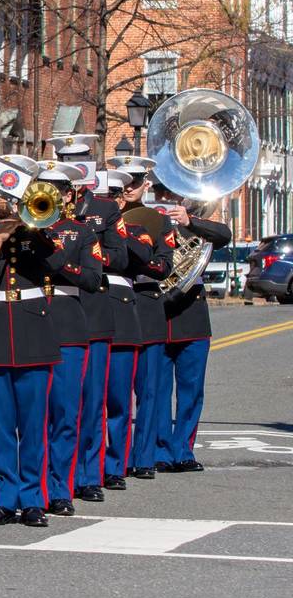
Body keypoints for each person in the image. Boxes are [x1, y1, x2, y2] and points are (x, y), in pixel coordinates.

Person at [0, 156, 61, 527]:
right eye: (1, 194)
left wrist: (33, 227)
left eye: (13, 193)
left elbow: (58, 265)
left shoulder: (41, 232)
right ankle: (3, 498)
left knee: (34, 426)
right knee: (1, 426)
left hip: (34, 334)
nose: (6, 200)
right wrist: (0, 237)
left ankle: (34, 498)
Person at [46, 135, 129, 504]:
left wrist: (80, 252)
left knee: (91, 400)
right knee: (57, 403)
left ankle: (88, 475)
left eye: (80, 158)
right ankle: (54, 477)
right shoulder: (40, 202)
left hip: (92, 310)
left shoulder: (104, 208)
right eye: (65, 157)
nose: (74, 162)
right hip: (52, 311)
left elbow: (119, 257)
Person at [32, 161, 102, 516]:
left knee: (64, 412)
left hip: (68, 325)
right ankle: (33, 487)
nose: (49, 195)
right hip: (29, 323)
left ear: (68, 194)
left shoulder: (81, 233)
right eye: (42, 187)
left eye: (56, 189)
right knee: (32, 415)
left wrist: (55, 257)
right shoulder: (23, 229)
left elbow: (92, 280)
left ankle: (60, 486)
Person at [100, 155, 168, 492]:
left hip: (146, 304)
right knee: (111, 391)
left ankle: (142, 457)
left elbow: (162, 264)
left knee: (148, 389)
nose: (127, 189)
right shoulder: (96, 215)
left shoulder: (153, 221)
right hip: (111, 303)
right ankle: (113, 458)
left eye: (135, 182)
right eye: (122, 183)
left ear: (145, 185)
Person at [153, 181, 231, 473]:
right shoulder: (148, 222)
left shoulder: (196, 226)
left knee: (191, 389)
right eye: (163, 193)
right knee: (158, 390)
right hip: (158, 313)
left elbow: (224, 234)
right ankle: (160, 450)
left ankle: (183, 449)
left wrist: (189, 221)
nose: (168, 198)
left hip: (192, 314)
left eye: (172, 193)